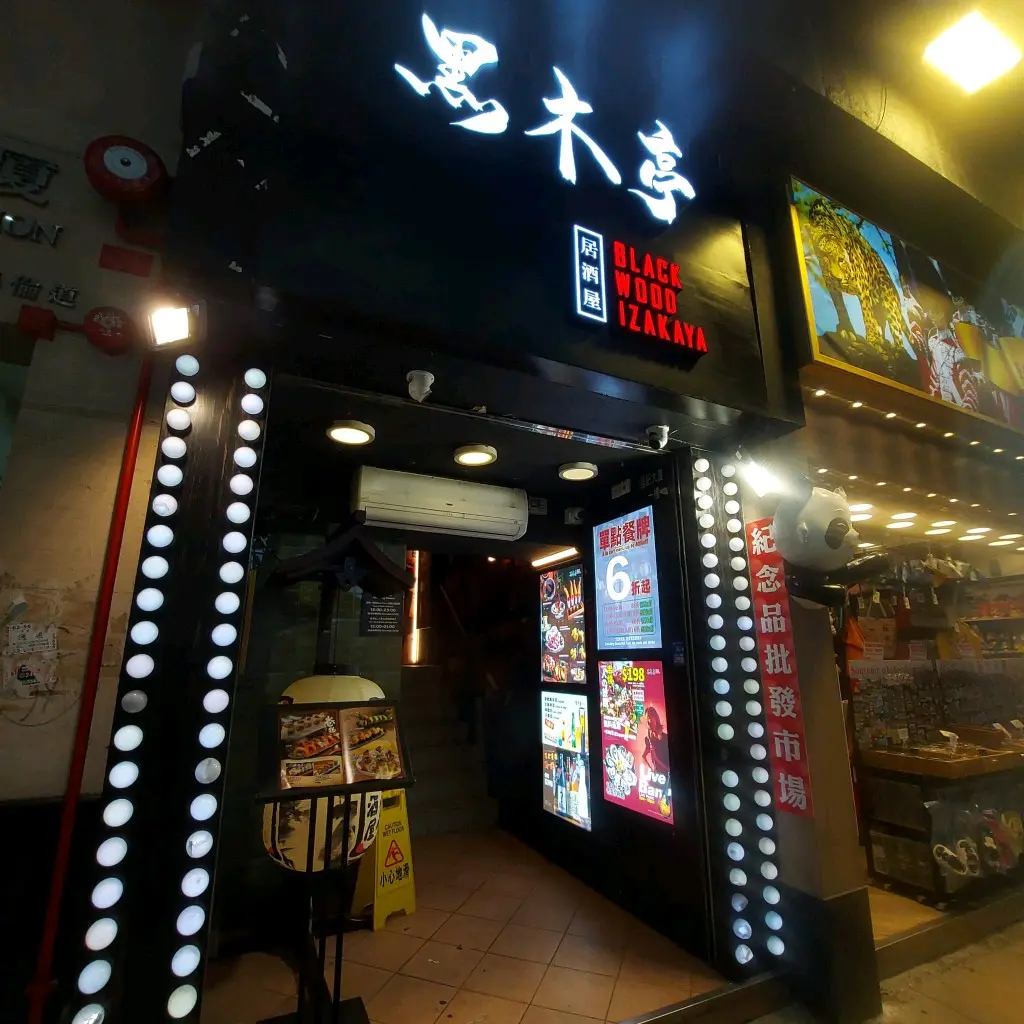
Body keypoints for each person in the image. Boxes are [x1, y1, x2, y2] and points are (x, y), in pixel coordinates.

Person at [642, 706, 670, 777]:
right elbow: (643, 756)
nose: (648, 722)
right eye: (647, 719)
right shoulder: (648, 739)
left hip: (666, 778)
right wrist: (651, 768)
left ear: (655, 718)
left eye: (649, 717)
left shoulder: (666, 739)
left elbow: (669, 769)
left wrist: (656, 759)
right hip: (656, 777)